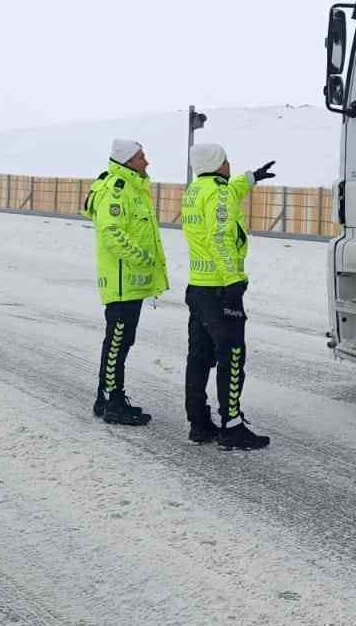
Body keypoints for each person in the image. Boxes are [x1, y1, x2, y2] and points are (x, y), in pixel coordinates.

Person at [180, 142, 276, 450]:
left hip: (198, 286)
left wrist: (251, 177)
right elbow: (220, 236)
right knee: (231, 356)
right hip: (221, 289)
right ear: (217, 163)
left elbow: (230, 192)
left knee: (198, 357)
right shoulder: (218, 193)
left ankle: (198, 423)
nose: (229, 164)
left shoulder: (197, 190)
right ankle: (231, 426)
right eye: (226, 160)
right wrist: (234, 282)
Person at [82, 138, 166, 425]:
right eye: (142, 156)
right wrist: (142, 257)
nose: (147, 161)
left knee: (122, 341)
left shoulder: (133, 187)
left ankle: (108, 398)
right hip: (121, 282)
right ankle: (110, 400)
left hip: (129, 282)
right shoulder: (116, 191)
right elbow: (112, 233)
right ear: (128, 160)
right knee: (117, 341)